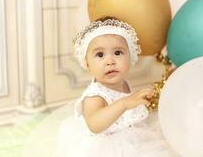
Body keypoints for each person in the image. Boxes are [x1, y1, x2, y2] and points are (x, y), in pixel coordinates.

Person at [22, 18, 179, 157]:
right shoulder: (95, 95)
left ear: (130, 57)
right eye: (100, 55)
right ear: (87, 64)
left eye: (118, 52)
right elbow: (95, 124)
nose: (110, 61)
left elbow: (127, 113)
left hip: (131, 137)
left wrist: (140, 100)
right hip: (105, 146)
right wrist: (125, 103)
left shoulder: (123, 83)